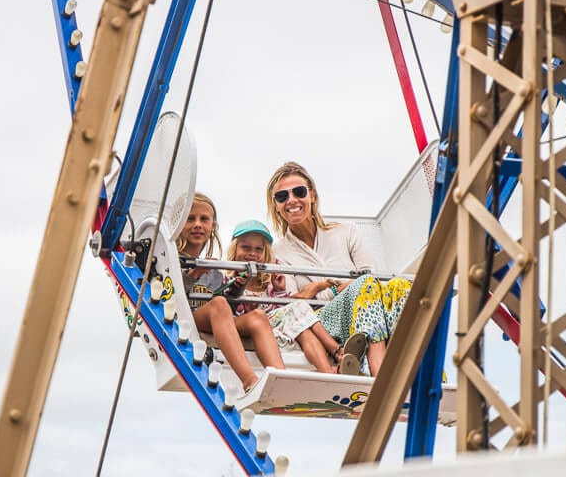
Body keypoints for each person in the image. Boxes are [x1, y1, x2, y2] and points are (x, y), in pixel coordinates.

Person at [266, 162, 413, 376]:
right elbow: (294, 301)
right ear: (277, 205)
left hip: (367, 309)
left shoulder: (346, 232)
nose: (291, 200)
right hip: (324, 323)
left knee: (400, 285)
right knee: (366, 286)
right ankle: (376, 371)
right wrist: (339, 288)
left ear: (312, 195)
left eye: (299, 192)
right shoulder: (278, 254)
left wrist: (320, 288)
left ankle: (414, 363)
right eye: (282, 196)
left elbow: (373, 273)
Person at [225, 219, 364, 375]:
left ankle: (327, 371)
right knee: (299, 306)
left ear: (265, 254)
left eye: (259, 249)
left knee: (302, 330)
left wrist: (279, 291)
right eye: (246, 247)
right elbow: (227, 311)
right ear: (234, 249)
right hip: (254, 327)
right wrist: (245, 306)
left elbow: (280, 310)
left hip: (276, 325)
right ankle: (337, 351)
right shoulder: (229, 280)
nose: (252, 253)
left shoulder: (268, 282)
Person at [177, 193, 285, 390]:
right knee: (218, 305)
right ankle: (249, 380)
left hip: (214, 316)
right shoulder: (171, 259)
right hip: (186, 319)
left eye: (204, 219)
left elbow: (227, 304)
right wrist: (193, 275)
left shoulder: (215, 270)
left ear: (213, 226)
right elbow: (171, 294)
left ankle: (280, 379)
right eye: (190, 219)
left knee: (258, 317)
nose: (198, 224)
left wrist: (238, 285)